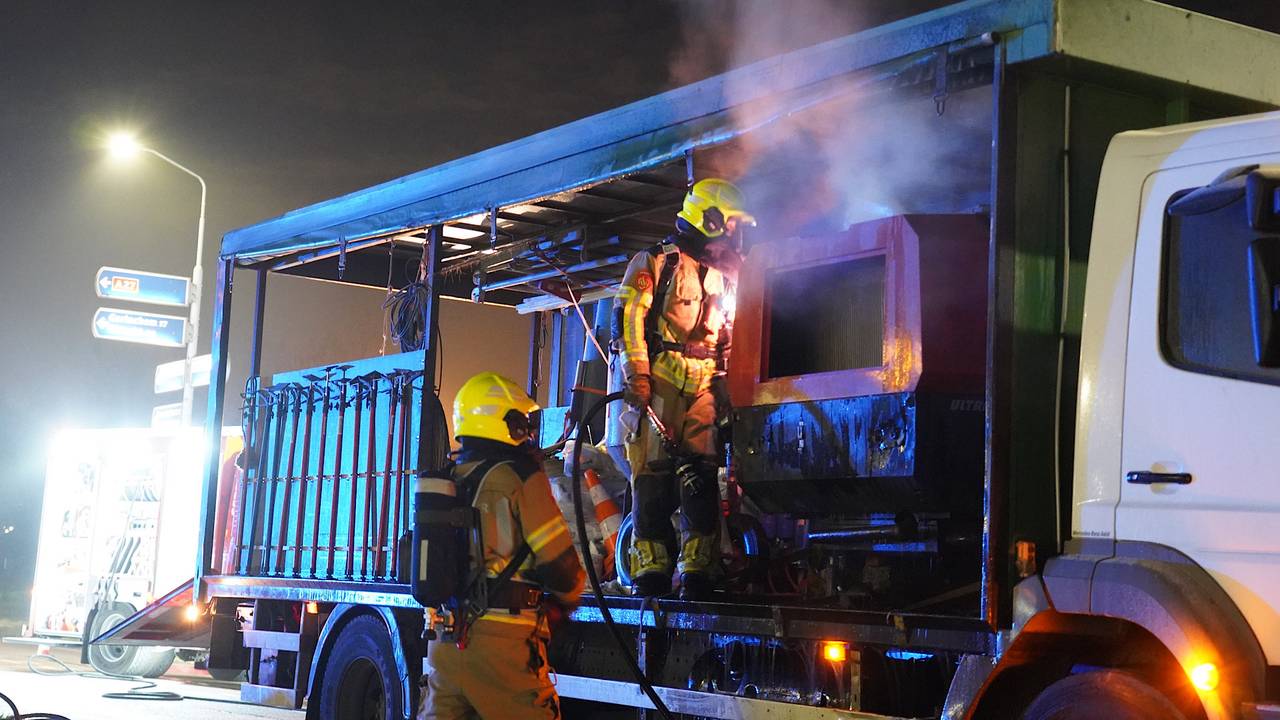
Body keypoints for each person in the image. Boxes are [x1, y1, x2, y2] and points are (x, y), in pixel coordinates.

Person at [613, 177, 754, 600]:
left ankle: (697, 569)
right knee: (653, 478)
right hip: (661, 383)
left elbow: (729, 333)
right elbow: (629, 319)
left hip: (704, 386)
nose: (735, 234)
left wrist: (728, 387)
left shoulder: (722, 275)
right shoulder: (657, 261)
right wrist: (637, 374)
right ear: (709, 218)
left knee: (702, 477)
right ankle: (652, 570)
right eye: (730, 225)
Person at [419, 372, 585, 720]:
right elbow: (562, 568)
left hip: (446, 644)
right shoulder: (521, 477)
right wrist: (565, 603)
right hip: (503, 650)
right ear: (502, 423)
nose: (526, 430)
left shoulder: (449, 480)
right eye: (520, 422)